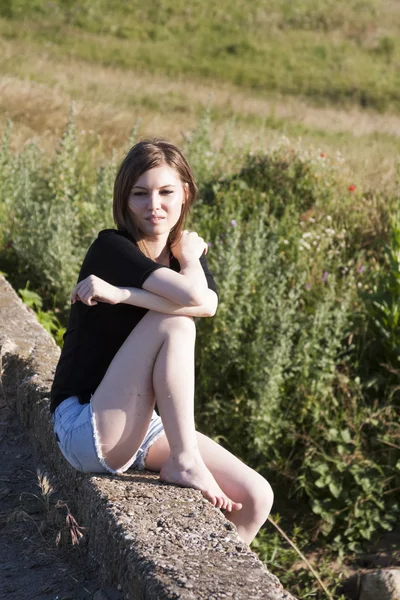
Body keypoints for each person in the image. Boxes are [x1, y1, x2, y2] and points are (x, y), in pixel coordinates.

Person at [50, 139, 273, 545]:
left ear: (184, 192)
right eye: (140, 193)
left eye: (166, 192)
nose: (154, 204)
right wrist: (189, 262)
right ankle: (185, 460)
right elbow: (193, 302)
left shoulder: (182, 255)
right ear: (125, 198)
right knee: (174, 325)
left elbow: (207, 305)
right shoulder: (111, 248)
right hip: (83, 424)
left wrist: (123, 294)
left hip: (140, 427)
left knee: (256, 495)